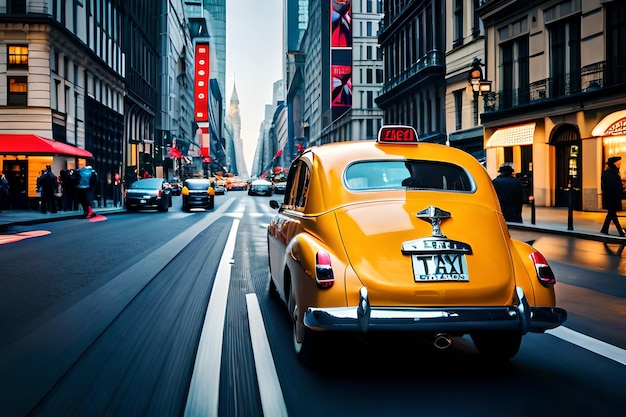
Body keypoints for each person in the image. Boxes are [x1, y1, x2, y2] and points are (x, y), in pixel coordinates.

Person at [600, 156, 625, 236]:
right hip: (612, 198)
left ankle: (604, 229)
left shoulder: (611, 173)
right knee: (612, 214)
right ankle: (621, 233)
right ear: (614, 163)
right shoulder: (611, 174)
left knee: (611, 214)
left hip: (612, 198)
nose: (619, 163)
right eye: (618, 162)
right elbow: (613, 188)